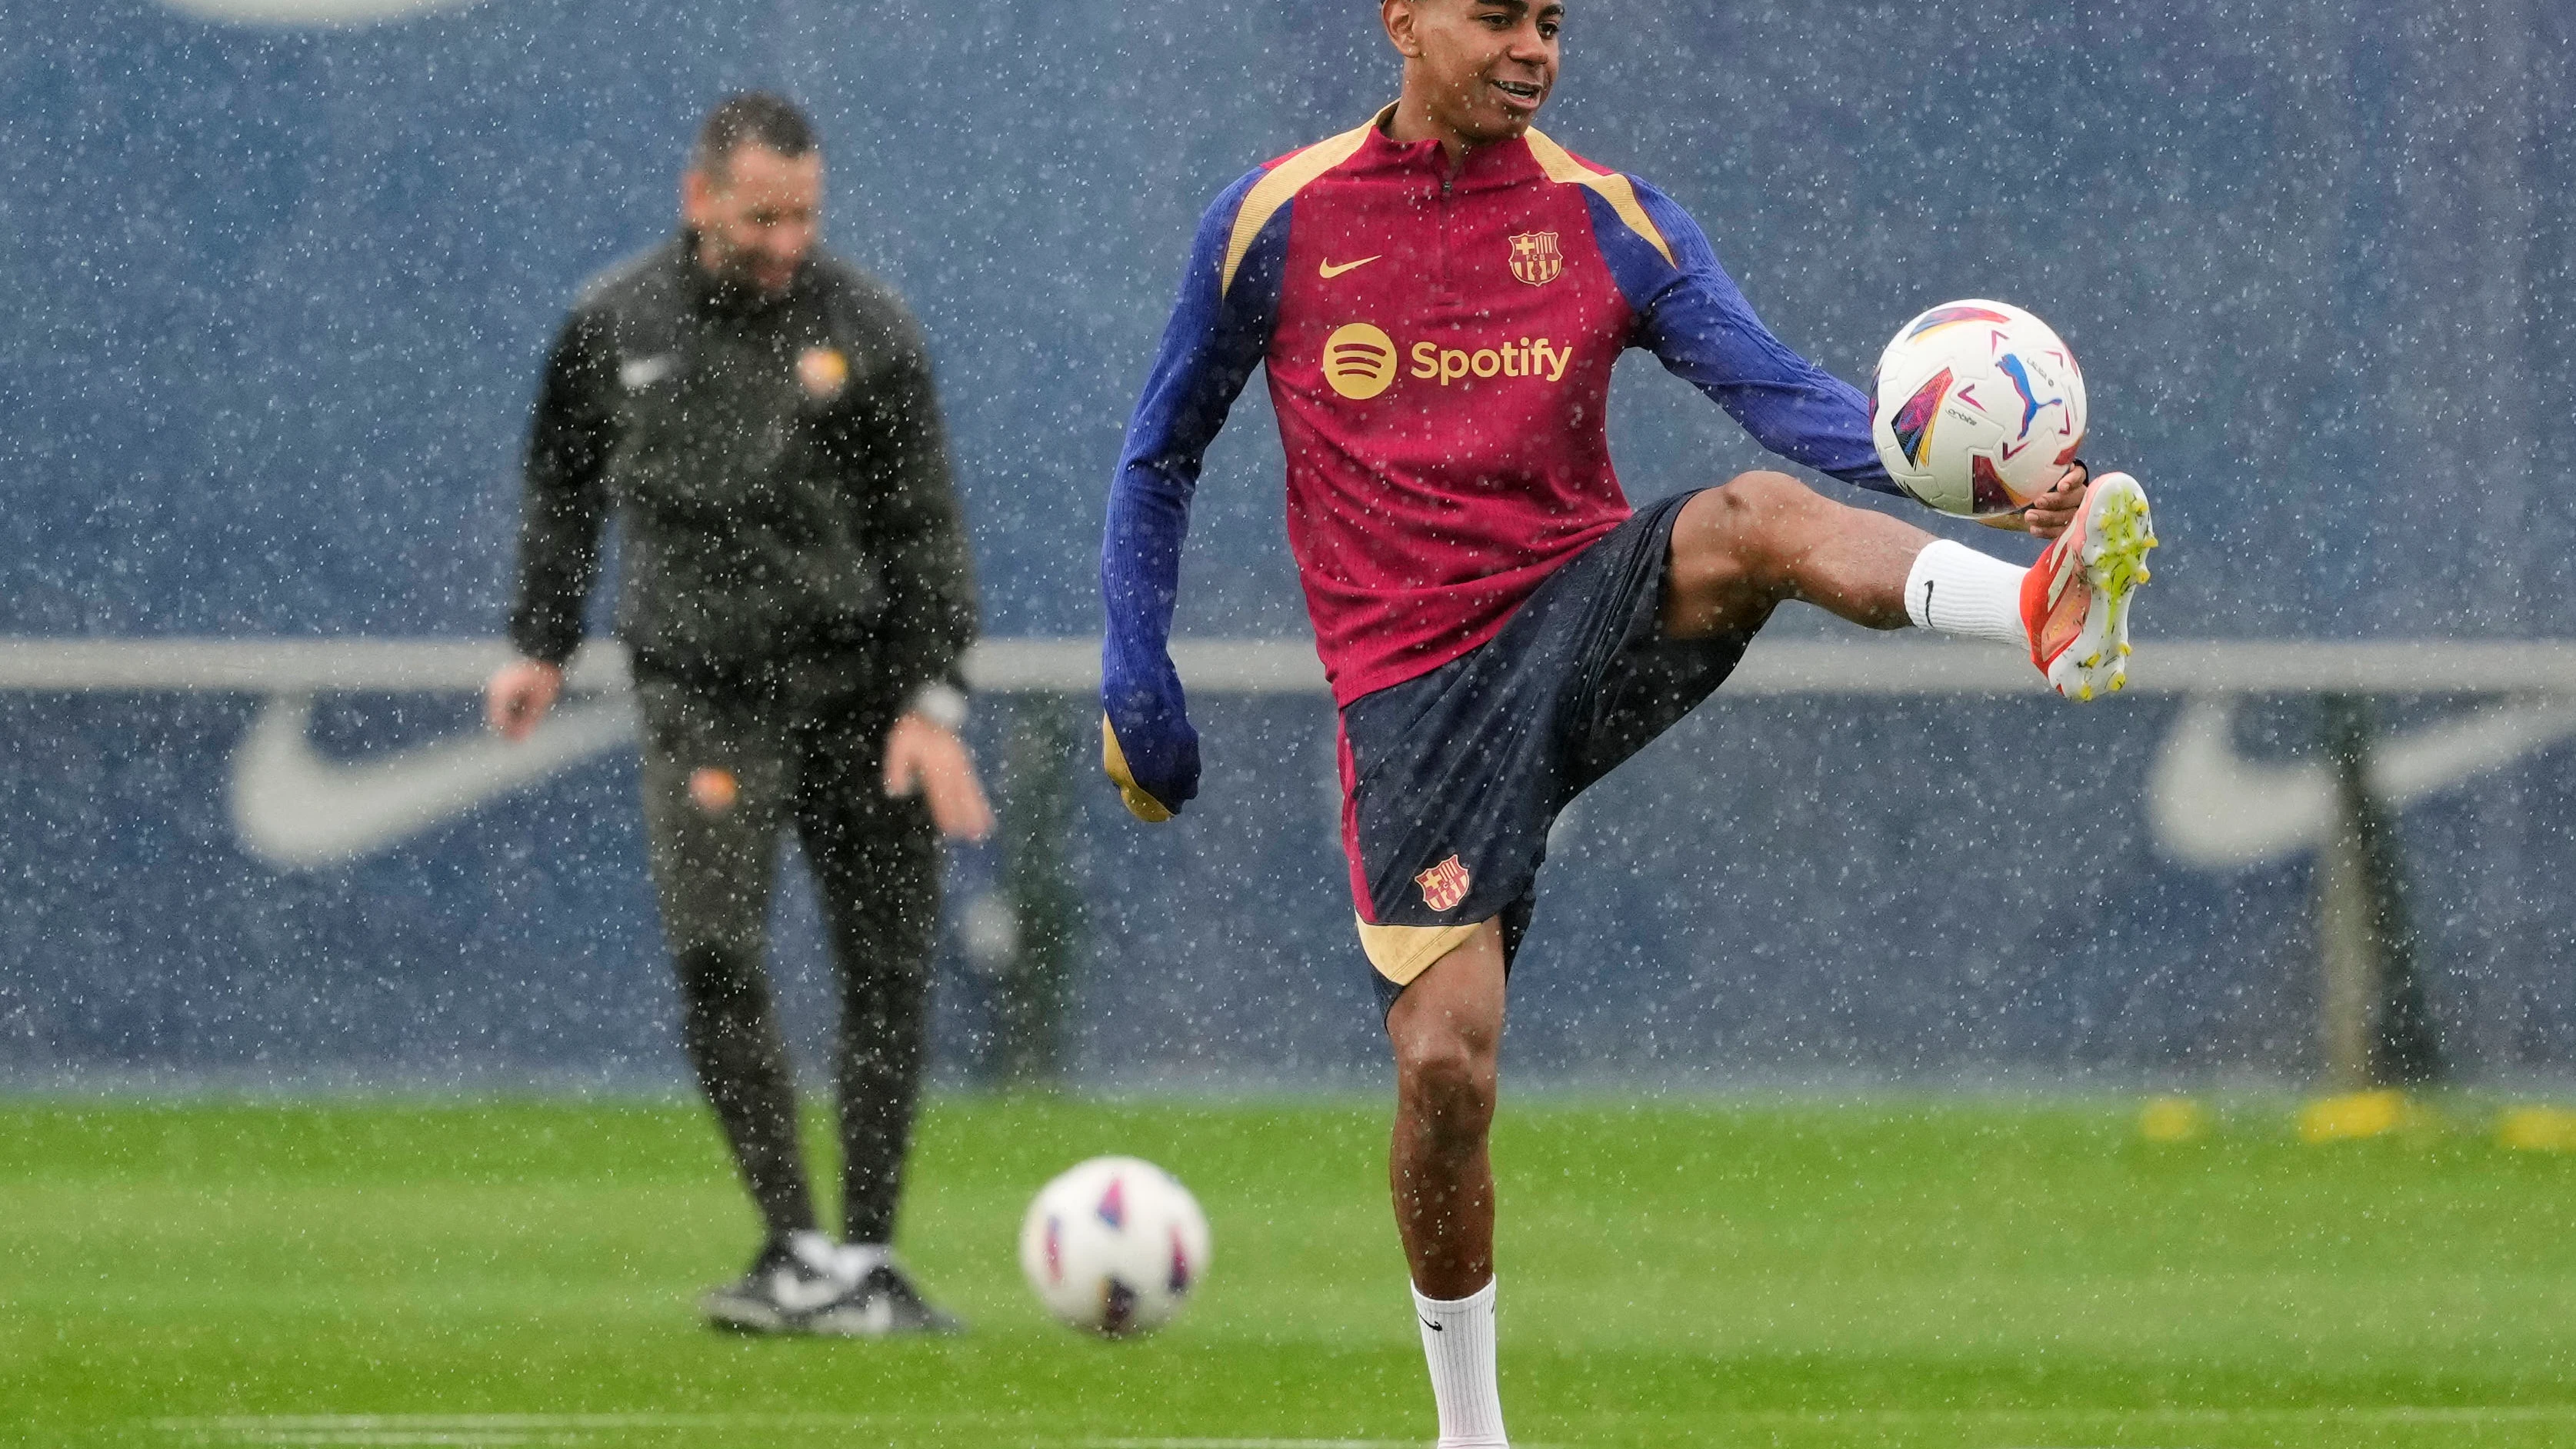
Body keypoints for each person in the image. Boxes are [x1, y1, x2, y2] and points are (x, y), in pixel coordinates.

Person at [1096, 2, 2156, 1441]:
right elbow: (1161, 451)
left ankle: (2038, 608)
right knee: (1445, 1064)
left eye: (1553, 21)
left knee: (1757, 518)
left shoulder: (1612, 220)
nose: (1533, 48)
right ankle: (1472, 1432)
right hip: (1412, 691)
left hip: (1583, 613)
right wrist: (1136, 677)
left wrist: (1973, 483)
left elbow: (1783, 398)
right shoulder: (1276, 220)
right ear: (1401, 19)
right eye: (1498, 16)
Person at [487, 92, 990, 1337]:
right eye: (762, 216)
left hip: (866, 694)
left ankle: (867, 1260)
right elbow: (560, 489)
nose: (783, 242)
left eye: (803, 216)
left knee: (887, 973)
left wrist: (932, 699)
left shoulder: (867, 327)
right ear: (698, 197)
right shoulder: (615, 325)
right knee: (714, 951)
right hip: (706, 696)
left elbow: (926, 530)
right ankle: (796, 1250)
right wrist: (541, 644)